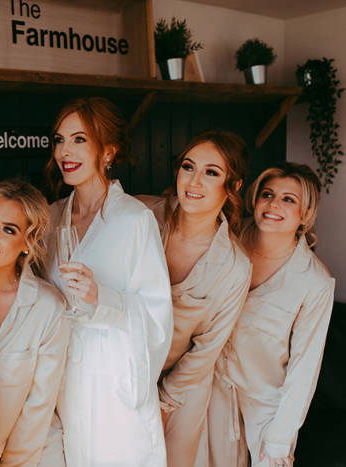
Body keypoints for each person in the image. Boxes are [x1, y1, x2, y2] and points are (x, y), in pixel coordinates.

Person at [43, 97, 173, 466]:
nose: (65, 150)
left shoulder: (134, 220)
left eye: (79, 139)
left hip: (113, 383)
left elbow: (157, 317)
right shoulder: (53, 218)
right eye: (59, 139)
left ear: (108, 151)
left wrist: (104, 298)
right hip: (62, 380)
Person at [207, 163, 335, 467]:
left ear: (305, 213)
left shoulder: (315, 281)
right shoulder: (229, 233)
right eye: (268, 194)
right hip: (211, 382)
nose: (274, 203)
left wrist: (280, 437)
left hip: (265, 399)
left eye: (288, 199)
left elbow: (305, 365)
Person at [136, 130, 252, 467]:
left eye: (211, 172)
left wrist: (163, 403)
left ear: (234, 185)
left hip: (181, 384)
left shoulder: (234, 266)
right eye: (189, 167)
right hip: (121, 368)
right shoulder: (140, 216)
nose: (194, 181)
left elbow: (206, 349)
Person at [0, 179, 70, 466]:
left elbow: (39, 406)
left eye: (9, 229)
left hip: (30, 458)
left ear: (28, 242)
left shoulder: (48, 309)